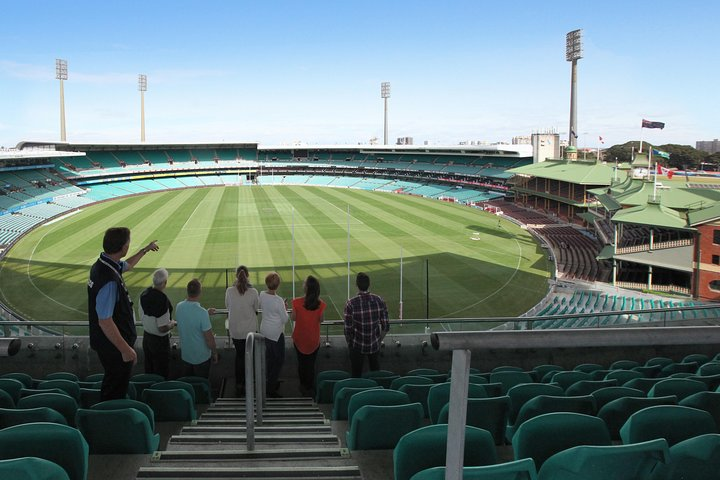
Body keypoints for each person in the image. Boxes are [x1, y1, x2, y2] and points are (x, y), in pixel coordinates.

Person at [88, 227, 158, 401]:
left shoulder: (105, 264)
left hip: (110, 344)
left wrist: (145, 250)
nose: (129, 245)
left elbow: (128, 265)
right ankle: (111, 418)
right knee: (115, 387)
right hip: (114, 348)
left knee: (114, 382)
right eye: (128, 242)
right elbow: (105, 321)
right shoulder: (108, 281)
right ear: (123, 247)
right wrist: (126, 349)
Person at [343, 272, 390, 377]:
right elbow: (386, 326)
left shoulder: (351, 303)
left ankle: (358, 391)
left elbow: (347, 329)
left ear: (356, 285)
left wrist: (350, 344)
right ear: (369, 284)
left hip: (357, 345)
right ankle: (376, 392)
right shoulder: (379, 300)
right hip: (374, 345)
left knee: (356, 375)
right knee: (376, 375)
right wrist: (378, 341)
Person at [225, 265, 259, 395]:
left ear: (236, 275)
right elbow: (257, 308)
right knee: (249, 356)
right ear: (248, 275)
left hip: (235, 331)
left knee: (239, 356)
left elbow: (227, 305)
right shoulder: (253, 292)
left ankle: (239, 384)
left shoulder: (229, 291)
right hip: (250, 331)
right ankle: (248, 382)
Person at [175, 279, 218, 378]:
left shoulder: (179, 307)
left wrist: (206, 314)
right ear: (200, 292)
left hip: (186, 356)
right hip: (201, 359)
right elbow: (209, 339)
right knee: (202, 386)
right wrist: (215, 353)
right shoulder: (201, 313)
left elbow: (189, 318)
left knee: (189, 386)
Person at [291, 275, 326, 397]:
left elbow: (293, 318)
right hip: (313, 340)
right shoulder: (321, 304)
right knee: (311, 365)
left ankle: (303, 386)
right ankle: (309, 387)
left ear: (307, 288)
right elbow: (321, 320)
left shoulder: (296, 302)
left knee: (302, 364)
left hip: (300, 338)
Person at [139, 268, 175, 379]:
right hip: (160, 343)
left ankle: (150, 392)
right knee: (162, 372)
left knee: (149, 370)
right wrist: (172, 324)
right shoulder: (162, 300)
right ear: (165, 283)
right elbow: (162, 328)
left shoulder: (144, 294)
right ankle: (160, 393)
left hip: (147, 338)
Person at [259, 272, 289, 398]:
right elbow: (285, 319)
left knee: (270, 358)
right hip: (276, 334)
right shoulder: (278, 301)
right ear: (278, 285)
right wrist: (285, 308)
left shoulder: (262, 294)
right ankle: (270, 387)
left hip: (265, 331)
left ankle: (269, 381)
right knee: (278, 360)